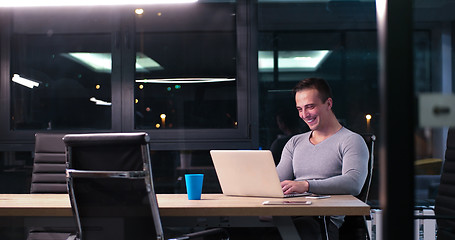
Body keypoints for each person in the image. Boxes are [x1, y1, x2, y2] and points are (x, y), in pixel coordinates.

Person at [276, 77, 369, 240]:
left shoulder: (351, 140)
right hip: (293, 213)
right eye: (299, 109)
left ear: (328, 104)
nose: (304, 115)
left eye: (310, 107)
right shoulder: (294, 142)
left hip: (322, 221)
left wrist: (306, 186)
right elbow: (275, 181)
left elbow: (354, 183)